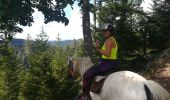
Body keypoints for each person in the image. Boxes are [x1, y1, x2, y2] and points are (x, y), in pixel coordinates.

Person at [77, 23, 119, 100]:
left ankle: (85, 95)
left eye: (106, 31)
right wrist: (98, 47)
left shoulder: (109, 40)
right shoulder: (110, 40)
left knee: (86, 75)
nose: (104, 33)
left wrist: (98, 49)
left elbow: (107, 54)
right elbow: (105, 52)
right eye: (103, 31)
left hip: (107, 63)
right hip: (109, 62)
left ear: (111, 32)